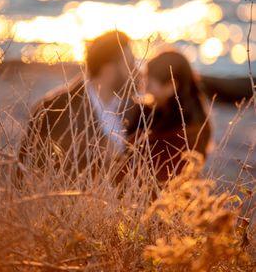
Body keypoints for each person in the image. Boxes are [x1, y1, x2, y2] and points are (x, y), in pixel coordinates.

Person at [17, 31, 140, 185]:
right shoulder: (56, 110)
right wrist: (98, 154)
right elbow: (31, 170)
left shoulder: (134, 109)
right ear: (108, 69)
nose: (136, 71)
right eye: (130, 64)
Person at [140, 50, 211, 184]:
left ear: (171, 85)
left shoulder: (185, 132)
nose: (145, 90)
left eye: (149, 83)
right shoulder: (198, 116)